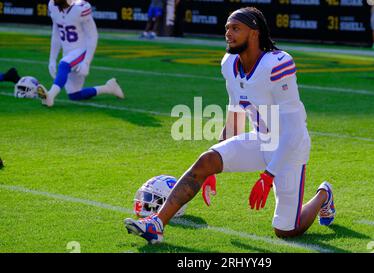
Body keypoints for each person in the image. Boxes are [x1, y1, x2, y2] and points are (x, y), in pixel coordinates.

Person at [124, 7, 336, 244]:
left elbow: (294, 131)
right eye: (227, 28)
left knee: (286, 230)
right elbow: (235, 112)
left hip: (289, 147)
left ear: (254, 33)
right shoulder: (229, 63)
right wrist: (214, 165)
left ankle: (323, 195)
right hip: (260, 139)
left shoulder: (277, 64)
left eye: (236, 28)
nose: (228, 33)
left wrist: (268, 175)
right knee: (205, 161)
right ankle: (156, 223)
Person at [38, 0, 124, 108]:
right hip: (68, 52)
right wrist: (52, 59)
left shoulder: (80, 8)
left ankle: (50, 96)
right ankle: (109, 88)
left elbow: (93, 36)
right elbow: (56, 34)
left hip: (82, 50)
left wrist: (86, 62)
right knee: (74, 95)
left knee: (64, 64)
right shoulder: (53, 5)